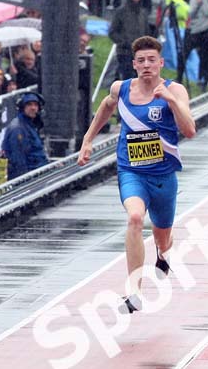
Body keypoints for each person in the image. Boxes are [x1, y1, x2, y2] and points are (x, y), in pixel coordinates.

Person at [77, 36, 196, 314]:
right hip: (131, 171)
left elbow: (189, 130)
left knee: (162, 234)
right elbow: (106, 107)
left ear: (160, 63)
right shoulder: (121, 89)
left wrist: (170, 101)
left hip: (164, 175)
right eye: (141, 61)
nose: (146, 65)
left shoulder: (175, 90)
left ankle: (163, 251)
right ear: (133, 64)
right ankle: (134, 291)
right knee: (134, 217)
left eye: (151, 60)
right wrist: (87, 140)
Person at [1, 92, 48, 179]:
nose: (33, 108)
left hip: (38, 174)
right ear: (23, 107)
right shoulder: (17, 128)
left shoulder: (31, 125)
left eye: (35, 105)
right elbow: (18, 161)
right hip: (29, 179)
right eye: (29, 105)